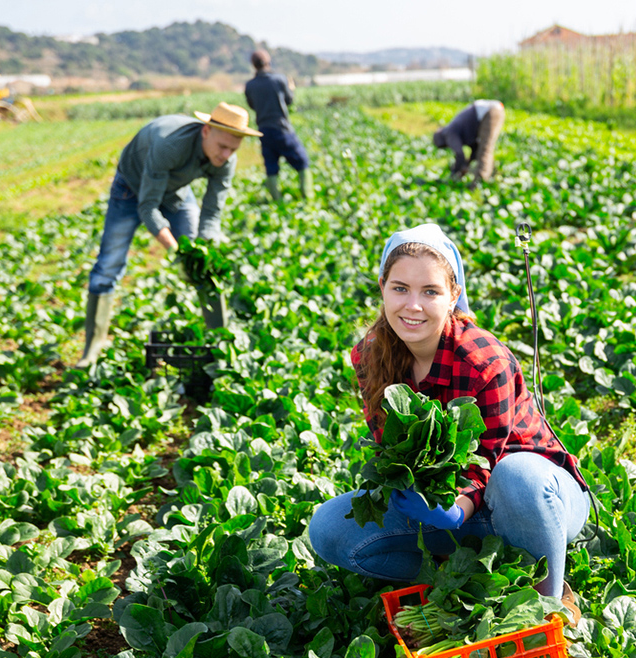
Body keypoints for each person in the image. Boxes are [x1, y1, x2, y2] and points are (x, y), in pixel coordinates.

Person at [307, 223, 589, 618]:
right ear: (382, 287)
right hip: (452, 509)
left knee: (516, 474)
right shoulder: (370, 355)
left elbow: (485, 462)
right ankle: (462, 575)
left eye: (431, 291)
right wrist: (410, 489)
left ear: (454, 294)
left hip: (535, 501)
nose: (413, 306)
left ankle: (550, 598)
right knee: (328, 529)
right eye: (400, 288)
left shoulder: (484, 361)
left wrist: (457, 508)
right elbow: (392, 449)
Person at [75, 102, 261, 368]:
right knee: (110, 263)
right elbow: (147, 207)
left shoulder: (226, 160)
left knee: (205, 263)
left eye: (233, 149)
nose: (227, 154)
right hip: (132, 188)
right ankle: (92, 347)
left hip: (176, 193)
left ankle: (220, 347)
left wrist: (202, 249)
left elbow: (212, 213)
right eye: (223, 147)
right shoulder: (169, 144)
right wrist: (176, 250)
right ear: (206, 131)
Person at [244, 49, 312, 205]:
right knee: (302, 161)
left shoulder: (250, 85)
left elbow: (252, 105)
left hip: (263, 130)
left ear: (254, 65)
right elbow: (288, 100)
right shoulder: (280, 80)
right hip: (281, 128)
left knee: (271, 165)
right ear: (268, 62)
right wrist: (292, 88)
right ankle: (307, 197)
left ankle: (277, 202)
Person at [431, 100, 505, 187]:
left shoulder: (448, 133)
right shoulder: (453, 131)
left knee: (485, 148)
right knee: (483, 149)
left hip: (490, 111)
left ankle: (480, 183)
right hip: (491, 110)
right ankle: (492, 175)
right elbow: (474, 150)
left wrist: (454, 172)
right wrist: (466, 165)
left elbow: (460, 154)